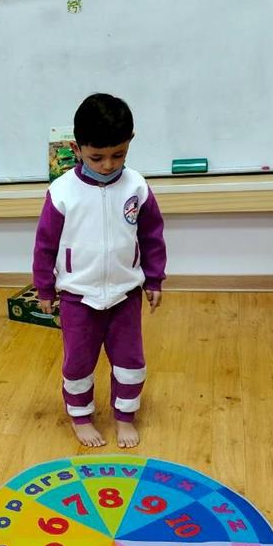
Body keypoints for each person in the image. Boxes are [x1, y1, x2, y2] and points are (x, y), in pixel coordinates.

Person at [32, 94, 167, 449]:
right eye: (97, 157)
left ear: (130, 142)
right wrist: (44, 288)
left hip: (125, 295)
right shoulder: (62, 192)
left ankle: (125, 416)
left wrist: (154, 278)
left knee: (131, 362)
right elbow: (45, 245)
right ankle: (80, 416)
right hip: (78, 298)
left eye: (118, 155)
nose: (108, 165)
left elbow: (152, 236)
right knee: (78, 363)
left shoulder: (136, 187)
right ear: (77, 149)